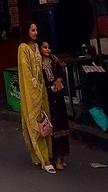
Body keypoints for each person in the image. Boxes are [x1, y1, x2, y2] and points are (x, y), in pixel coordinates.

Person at [18, 22, 55, 173]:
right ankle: (44, 159)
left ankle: (46, 156)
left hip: (42, 93)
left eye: (36, 30)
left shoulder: (37, 49)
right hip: (31, 94)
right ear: (26, 32)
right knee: (36, 126)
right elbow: (26, 74)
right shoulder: (23, 48)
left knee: (46, 124)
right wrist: (35, 87)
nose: (35, 32)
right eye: (33, 30)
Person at [41, 41, 71, 171]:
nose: (48, 50)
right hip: (47, 99)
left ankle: (61, 158)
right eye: (45, 47)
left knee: (61, 127)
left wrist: (58, 81)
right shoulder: (38, 64)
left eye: (49, 47)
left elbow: (61, 75)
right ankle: (53, 158)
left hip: (58, 98)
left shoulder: (54, 61)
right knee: (51, 129)